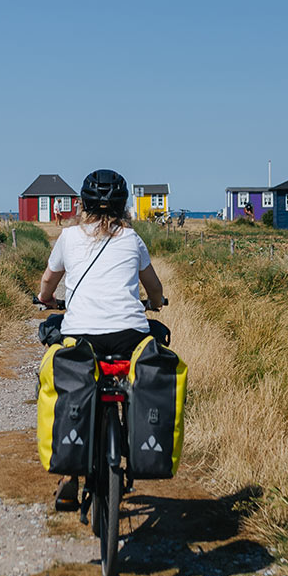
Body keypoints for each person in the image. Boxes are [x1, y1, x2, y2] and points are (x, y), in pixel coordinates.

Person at [35, 169, 166, 511]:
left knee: (71, 381)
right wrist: (153, 304)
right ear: (122, 205)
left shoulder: (68, 237)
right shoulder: (133, 239)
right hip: (129, 336)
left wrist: (46, 299)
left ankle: (70, 474)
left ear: (83, 203)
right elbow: (154, 288)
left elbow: (49, 282)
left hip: (82, 336)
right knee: (133, 381)